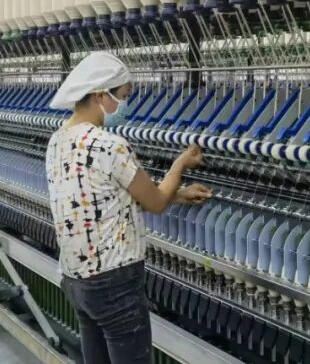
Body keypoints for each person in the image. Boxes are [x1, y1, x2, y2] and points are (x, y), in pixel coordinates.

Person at [45, 52, 212, 364]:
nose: (125, 105)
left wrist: (179, 195)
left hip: (76, 279)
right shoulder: (109, 145)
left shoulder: (57, 140)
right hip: (114, 283)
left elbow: (103, 199)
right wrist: (180, 165)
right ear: (99, 96)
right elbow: (155, 201)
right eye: (122, 97)